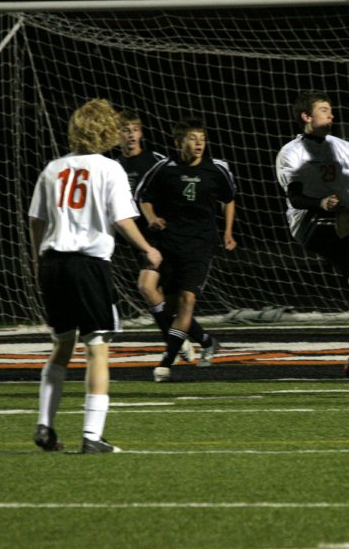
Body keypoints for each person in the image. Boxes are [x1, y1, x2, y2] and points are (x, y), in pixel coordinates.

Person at [28, 98, 162, 453]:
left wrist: (37, 257)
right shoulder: (110, 168)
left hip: (53, 261)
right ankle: (91, 436)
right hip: (88, 264)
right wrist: (147, 249)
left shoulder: (53, 168)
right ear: (107, 131)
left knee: (61, 345)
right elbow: (122, 219)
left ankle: (45, 424)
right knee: (97, 349)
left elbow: (36, 219)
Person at [276, 91, 349, 385]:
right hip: (313, 224)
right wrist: (322, 203)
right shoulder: (292, 152)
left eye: (331, 110)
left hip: (344, 221)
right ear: (306, 117)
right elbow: (296, 197)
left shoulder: (346, 149)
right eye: (324, 110)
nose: (331, 115)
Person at [136, 118, 237, 383]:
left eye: (202, 139)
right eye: (192, 138)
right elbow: (144, 197)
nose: (199, 144)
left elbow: (229, 199)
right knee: (149, 287)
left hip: (199, 245)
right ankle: (202, 340)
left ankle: (166, 362)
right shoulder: (164, 168)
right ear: (179, 142)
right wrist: (151, 218)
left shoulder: (217, 169)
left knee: (187, 301)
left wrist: (227, 232)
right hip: (167, 242)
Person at [116, 110, 195, 365]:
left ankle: (177, 341)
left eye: (135, 129)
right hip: (134, 237)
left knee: (147, 287)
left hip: (160, 237)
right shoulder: (113, 167)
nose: (131, 135)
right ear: (117, 134)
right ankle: (198, 339)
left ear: (141, 133)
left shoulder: (155, 160)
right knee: (162, 296)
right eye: (125, 130)